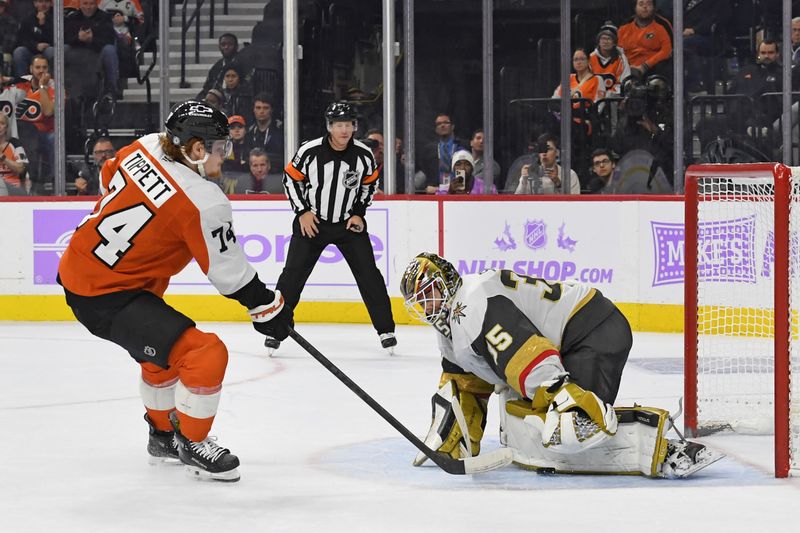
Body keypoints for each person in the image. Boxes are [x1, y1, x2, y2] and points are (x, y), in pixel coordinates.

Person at [56, 100, 292, 482]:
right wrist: (268, 308)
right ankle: (192, 442)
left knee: (161, 357)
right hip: (107, 294)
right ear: (195, 150)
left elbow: (107, 177)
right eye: (219, 148)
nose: (224, 156)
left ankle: (162, 435)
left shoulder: (145, 145)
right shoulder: (204, 200)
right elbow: (230, 276)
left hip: (83, 269)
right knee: (205, 354)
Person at [399, 253, 722, 478]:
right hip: (567, 339)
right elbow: (466, 386)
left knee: (573, 427)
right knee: (523, 417)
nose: (428, 307)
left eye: (431, 295)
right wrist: (452, 438)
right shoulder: (451, 326)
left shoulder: (472, 303)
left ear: (447, 282)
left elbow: (527, 355)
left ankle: (664, 447)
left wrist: (562, 396)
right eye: (420, 302)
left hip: (593, 330)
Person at [271, 101, 396, 355]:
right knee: (292, 276)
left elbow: (369, 185)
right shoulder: (309, 151)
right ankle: (276, 329)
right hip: (313, 223)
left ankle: (386, 330)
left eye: (349, 124)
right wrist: (303, 211)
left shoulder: (363, 155)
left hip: (347, 225)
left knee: (369, 275)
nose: (344, 130)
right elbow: (290, 179)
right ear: (329, 127)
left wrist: (359, 213)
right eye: (339, 124)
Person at [9, 54, 54, 191]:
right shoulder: (20, 85)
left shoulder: (55, 87)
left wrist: (42, 87)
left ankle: (53, 180)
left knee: (54, 139)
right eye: (37, 67)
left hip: (43, 133)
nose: (41, 71)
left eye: (44, 67)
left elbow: (48, 112)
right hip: (19, 132)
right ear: (30, 69)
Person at [64, 0, 119, 98]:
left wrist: (92, 39)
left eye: (91, 4)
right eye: (85, 3)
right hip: (77, 52)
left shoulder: (105, 17)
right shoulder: (72, 18)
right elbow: (66, 38)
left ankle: (111, 89)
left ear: (96, 4)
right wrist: (78, 38)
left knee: (110, 50)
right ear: (80, 4)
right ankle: (61, 89)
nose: (88, 7)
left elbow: (109, 39)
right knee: (62, 49)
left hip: (98, 51)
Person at [617, 0, 673, 80]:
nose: (645, 7)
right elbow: (617, 51)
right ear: (635, 8)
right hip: (626, 70)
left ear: (654, 8)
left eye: (649, 4)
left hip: (653, 70)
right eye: (641, 4)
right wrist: (627, 67)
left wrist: (645, 66)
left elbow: (667, 51)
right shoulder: (624, 29)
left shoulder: (661, 27)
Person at [513, 133, 580, 195]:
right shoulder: (531, 174)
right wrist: (524, 180)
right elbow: (516, 202)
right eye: (541, 149)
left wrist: (558, 183)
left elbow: (574, 203)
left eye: (549, 149)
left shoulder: (570, 175)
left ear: (557, 152)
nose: (544, 153)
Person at [419, 113, 467, 194]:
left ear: (452, 126)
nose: (442, 125)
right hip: (433, 194)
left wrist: (440, 189)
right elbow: (425, 172)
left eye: (445, 122)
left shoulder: (463, 146)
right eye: (439, 124)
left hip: (459, 193)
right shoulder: (428, 149)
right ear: (436, 129)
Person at [12, 0, 54, 79]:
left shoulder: (57, 18)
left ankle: (51, 84)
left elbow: (62, 38)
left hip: (50, 48)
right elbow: (21, 39)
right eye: (40, 1)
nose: (43, 4)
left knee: (51, 51)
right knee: (19, 51)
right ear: (35, 4)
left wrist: (43, 24)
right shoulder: (28, 18)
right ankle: (23, 83)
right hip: (32, 50)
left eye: (46, 2)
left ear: (51, 3)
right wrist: (36, 46)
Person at [589, 21, 631, 96]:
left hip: (614, 97)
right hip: (594, 96)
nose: (605, 42)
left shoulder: (621, 58)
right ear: (598, 41)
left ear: (614, 42)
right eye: (603, 38)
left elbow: (625, 81)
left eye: (609, 39)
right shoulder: (591, 58)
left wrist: (609, 94)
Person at [246, 92, 283, 170]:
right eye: (258, 108)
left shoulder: (281, 132)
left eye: (265, 108)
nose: (261, 111)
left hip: (276, 174)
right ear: (253, 110)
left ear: (271, 110)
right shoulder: (248, 133)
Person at [197, 33, 240, 100]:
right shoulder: (217, 67)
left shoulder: (242, 63)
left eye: (230, 44)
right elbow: (207, 87)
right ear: (219, 47)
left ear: (236, 46)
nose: (226, 47)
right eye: (223, 44)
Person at [0, 112, 29, 195]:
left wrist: (3, 157)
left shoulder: (14, 143)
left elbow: (21, 169)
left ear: (6, 128)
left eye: (1, 123)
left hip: (13, 188)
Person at [220, 114, 250, 194]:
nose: (237, 131)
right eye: (232, 128)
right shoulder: (222, 148)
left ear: (245, 130)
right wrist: (240, 163)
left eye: (240, 127)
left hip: (246, 183)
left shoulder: (252, 147)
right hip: (226, 183)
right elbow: (225, 167)